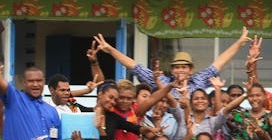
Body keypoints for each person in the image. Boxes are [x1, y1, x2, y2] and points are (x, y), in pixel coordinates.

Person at [93, 27, 251, 95]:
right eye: (177, 67)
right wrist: (111, 50)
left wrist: (238, 43)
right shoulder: (161, 81)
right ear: (172, 70)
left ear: (191, 69)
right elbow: (135, 66)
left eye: (184, 67)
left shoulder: (199, 81)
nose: (180, 70)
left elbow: (218, 63)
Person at [0, 65, 61, 140]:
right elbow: (3, 85)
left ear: (44, 82)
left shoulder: (52, 111)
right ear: (24, 83)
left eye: (38, 81)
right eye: (31, 81)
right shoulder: (15, 99)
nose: (35, 84)